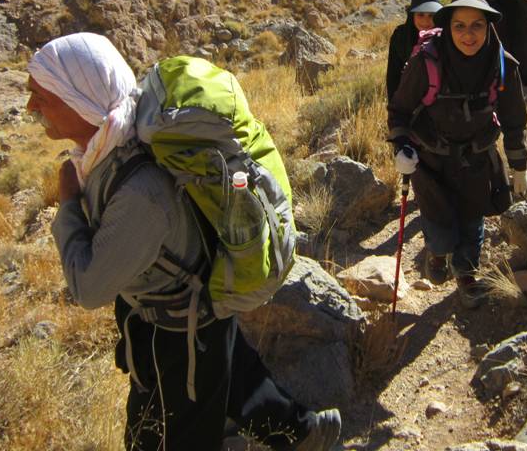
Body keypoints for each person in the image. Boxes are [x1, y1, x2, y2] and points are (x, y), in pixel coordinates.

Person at [26, 33, 341, 451]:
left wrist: (68, 205)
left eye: (41, 97)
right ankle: (304, 433)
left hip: (179, 333)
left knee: (164, 435)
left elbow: (88, 287)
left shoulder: (139, 191)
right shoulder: (116, 146)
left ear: (80, 100)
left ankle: (300, 432)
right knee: (233, 371)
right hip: (194, 303)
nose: (31, 108)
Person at [387, 0, 527, 309]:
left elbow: (514, 119)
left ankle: (466, 275)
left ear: (489, 27)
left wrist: (520, 165)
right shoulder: (427, 62)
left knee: (472, 219)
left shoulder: (502, 65)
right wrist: (402, 146)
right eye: (459, 26)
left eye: (477, 25)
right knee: (438, 221)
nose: (468, 34)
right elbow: (400, 110)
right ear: (448, 27)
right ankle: (437, 254)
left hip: (477, 158)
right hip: (431, 160)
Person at [387, 0, 443, 102]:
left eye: (431, 15)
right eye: (420, 14)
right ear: (412, 14)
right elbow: (393, 75)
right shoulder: (400, 36)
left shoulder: (444, 36)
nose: (425, 21)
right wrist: (394, 106)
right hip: (408, 101)